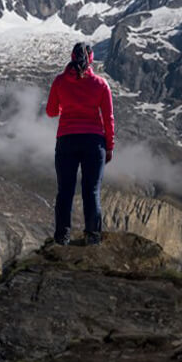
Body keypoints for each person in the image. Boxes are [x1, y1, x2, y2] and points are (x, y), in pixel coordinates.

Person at [45, 42, 114, 245]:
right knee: (91, 191)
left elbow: (51, 111)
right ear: (91, 59)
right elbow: (108, 119)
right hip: (94, 142)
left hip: (66, 140)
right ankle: (92, 236)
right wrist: (109, 146)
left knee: (65, 191)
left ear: (71, 57)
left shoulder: (59, 82)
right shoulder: (101, 84)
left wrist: (65, 105)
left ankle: (62, 237)